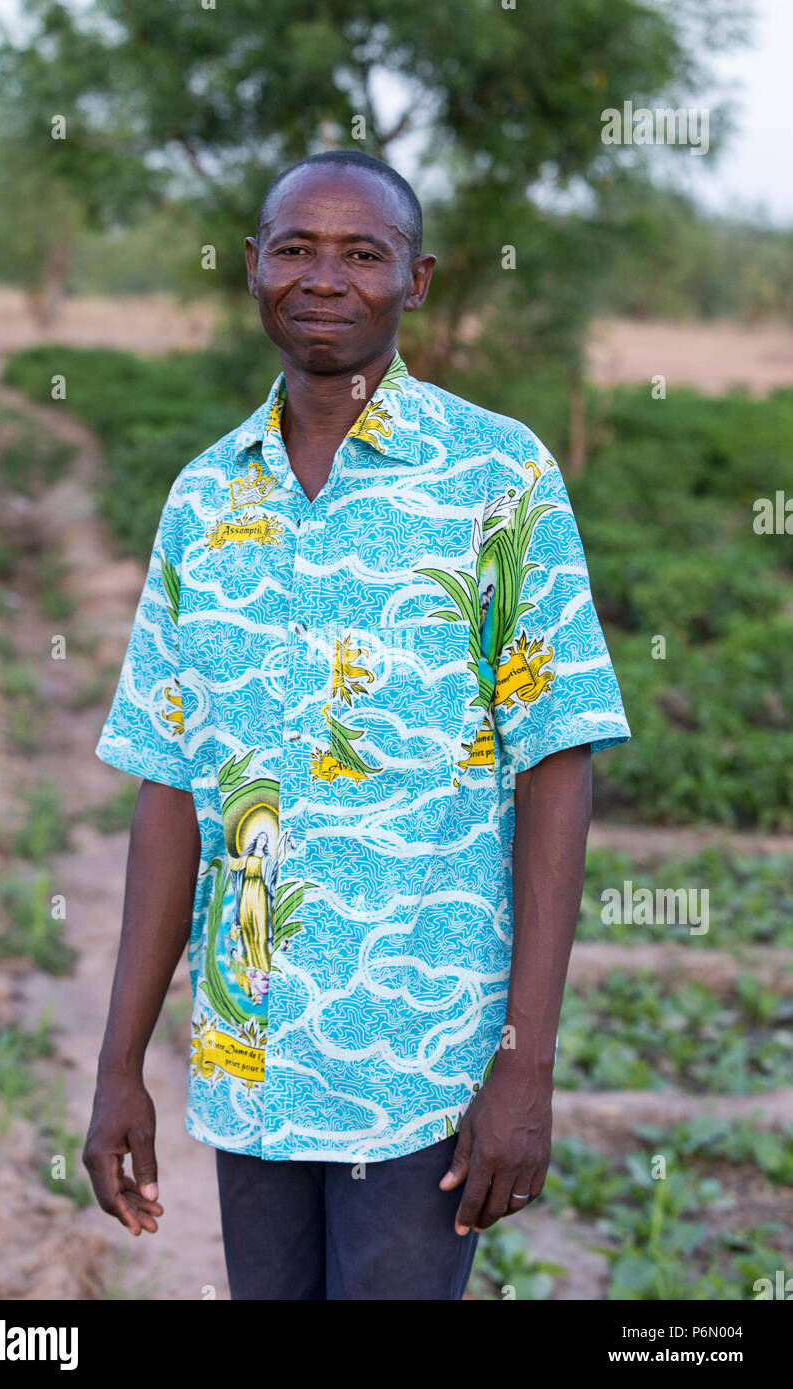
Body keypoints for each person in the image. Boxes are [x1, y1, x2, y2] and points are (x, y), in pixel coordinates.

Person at [83, 149, 631, 1301]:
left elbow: (555, 768)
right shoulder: (205, 496)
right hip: (250, 1057)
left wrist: (522, 1069)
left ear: (414, 281)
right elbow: (171, 788)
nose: (322, 277)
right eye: (293, 248)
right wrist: (118, 1064)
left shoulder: (495, 477)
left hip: (421, 1061)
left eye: (361, 253)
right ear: (251, 271)